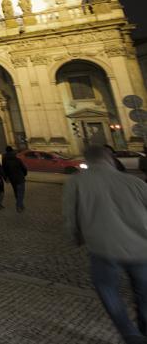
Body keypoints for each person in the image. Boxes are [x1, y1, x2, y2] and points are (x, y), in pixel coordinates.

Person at [63, 146, 147, 344]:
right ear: (110, 158)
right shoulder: (134, 182)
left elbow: (70, 216)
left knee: (108, 290)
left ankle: (130, 334)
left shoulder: (76, 181)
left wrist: (75, 237)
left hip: (103, 248)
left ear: (87, 160)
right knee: (144, 292)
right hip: (140, 248)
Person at [1, 146, 28, 212]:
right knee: (21, 192)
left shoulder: (4, 160)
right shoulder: (17, 159)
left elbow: (4, 170)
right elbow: (24, 169)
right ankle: (18, 205)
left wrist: (6, 178)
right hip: (20, 178)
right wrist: (24, 174)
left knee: (16, 192)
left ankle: (21, 204)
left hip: (12, 179)